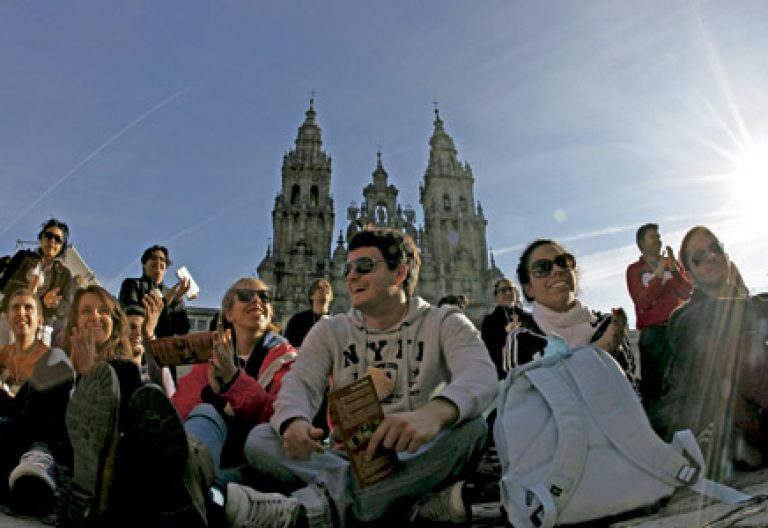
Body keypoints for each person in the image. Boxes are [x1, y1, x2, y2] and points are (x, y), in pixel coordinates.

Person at [222, 226, 496, 527]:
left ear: (399, 273)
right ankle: (401, 504)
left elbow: (481, 374)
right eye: (348, 268)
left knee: (472, 430)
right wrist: (294, 421)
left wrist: (435, 413)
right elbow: (299, 383)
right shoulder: (330, 330)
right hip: (344, 459)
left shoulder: (444, 322)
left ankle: (313, 509)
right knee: (261, 439)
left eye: (364, 266)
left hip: (415, 455)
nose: (351, 276)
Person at [62, 285, 213, 526]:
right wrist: (81, 377)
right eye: (86, 311)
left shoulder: (125, 369)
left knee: (147, 406)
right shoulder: (56, 365)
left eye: (103, 311)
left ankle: (181, 504)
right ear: (73, 323)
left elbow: (127, 427)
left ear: (112, 322)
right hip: (69, 463)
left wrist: (92, 372)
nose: (95, 317)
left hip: (119, 471)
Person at [660, 226, 768, 480]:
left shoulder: (753, 305)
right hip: (725, 433)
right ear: (689, 273)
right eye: (698, 257)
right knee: (733, 349)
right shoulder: (684, 318)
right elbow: (730, 317)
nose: (711, 257)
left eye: (715, 249)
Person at [171, 277, 297, 477]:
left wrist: (233, 381)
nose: (257, 301)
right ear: (229, 314)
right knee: (204, 413)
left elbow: (279, 415)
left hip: (259, 457)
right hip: (214, 451)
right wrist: (212, 395)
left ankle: (195, 484)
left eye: (264, 297)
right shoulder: (213, 358)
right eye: (246, 296)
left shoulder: (288, 359)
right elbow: (180, 409)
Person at [509, 239, 637, 384]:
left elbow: (629, 388)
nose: (557, 270)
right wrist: (601, 353)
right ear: (528, 289)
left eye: (563, 262)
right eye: (542, 268)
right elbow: (528, 395)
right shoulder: (522, 338)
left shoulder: (607, 324)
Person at [0, 289, 74, 515]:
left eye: (28, 307)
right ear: (7, 317)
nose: (21, 313)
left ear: (40, 320)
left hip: (40, 435)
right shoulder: (2, 355)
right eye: (15, 308)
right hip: (10, 430)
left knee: (57, 361)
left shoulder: (53, 358)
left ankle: (41, 460)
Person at [626, 223, 691, 431]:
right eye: (653, 237)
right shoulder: (634, 271)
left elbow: (687, 293)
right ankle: (661, 436)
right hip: (653, 334)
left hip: (679, 328)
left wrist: (675, 271)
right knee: (656, 389)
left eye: (659, 236)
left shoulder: (672, 265)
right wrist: (660, 274)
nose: (659, 240)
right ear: (641, 243)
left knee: (686, 381)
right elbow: (643, 301)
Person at [0, 218, 74, 346]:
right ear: (41, 238)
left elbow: (66, 306)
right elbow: (3, 285)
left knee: (34, 364)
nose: (52, 241)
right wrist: (26, 291)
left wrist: (50, 304)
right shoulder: (23, 258)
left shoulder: (64, 274)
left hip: (41, 326)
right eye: (49, 236)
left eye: (58, 239)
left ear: (62, 246)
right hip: (11, 316)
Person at [118, 244, 191, 339]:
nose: (158, 262)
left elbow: (183, 330)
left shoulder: (172, 294)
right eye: (153, 258)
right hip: (138, 343)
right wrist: (166, 301)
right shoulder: (132, 284)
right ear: (144, 264)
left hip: (163, 349)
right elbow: (133, 313)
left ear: (166, 266)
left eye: (162, 259)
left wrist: (177, 302)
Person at [481, 278, 525, 379]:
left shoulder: (528, 317)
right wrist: (506, 332)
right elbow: (489, 347)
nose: (508, 293)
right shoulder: (490, 320)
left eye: (511, 289)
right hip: (503, 376)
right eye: (503, 290)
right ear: (496, 296)